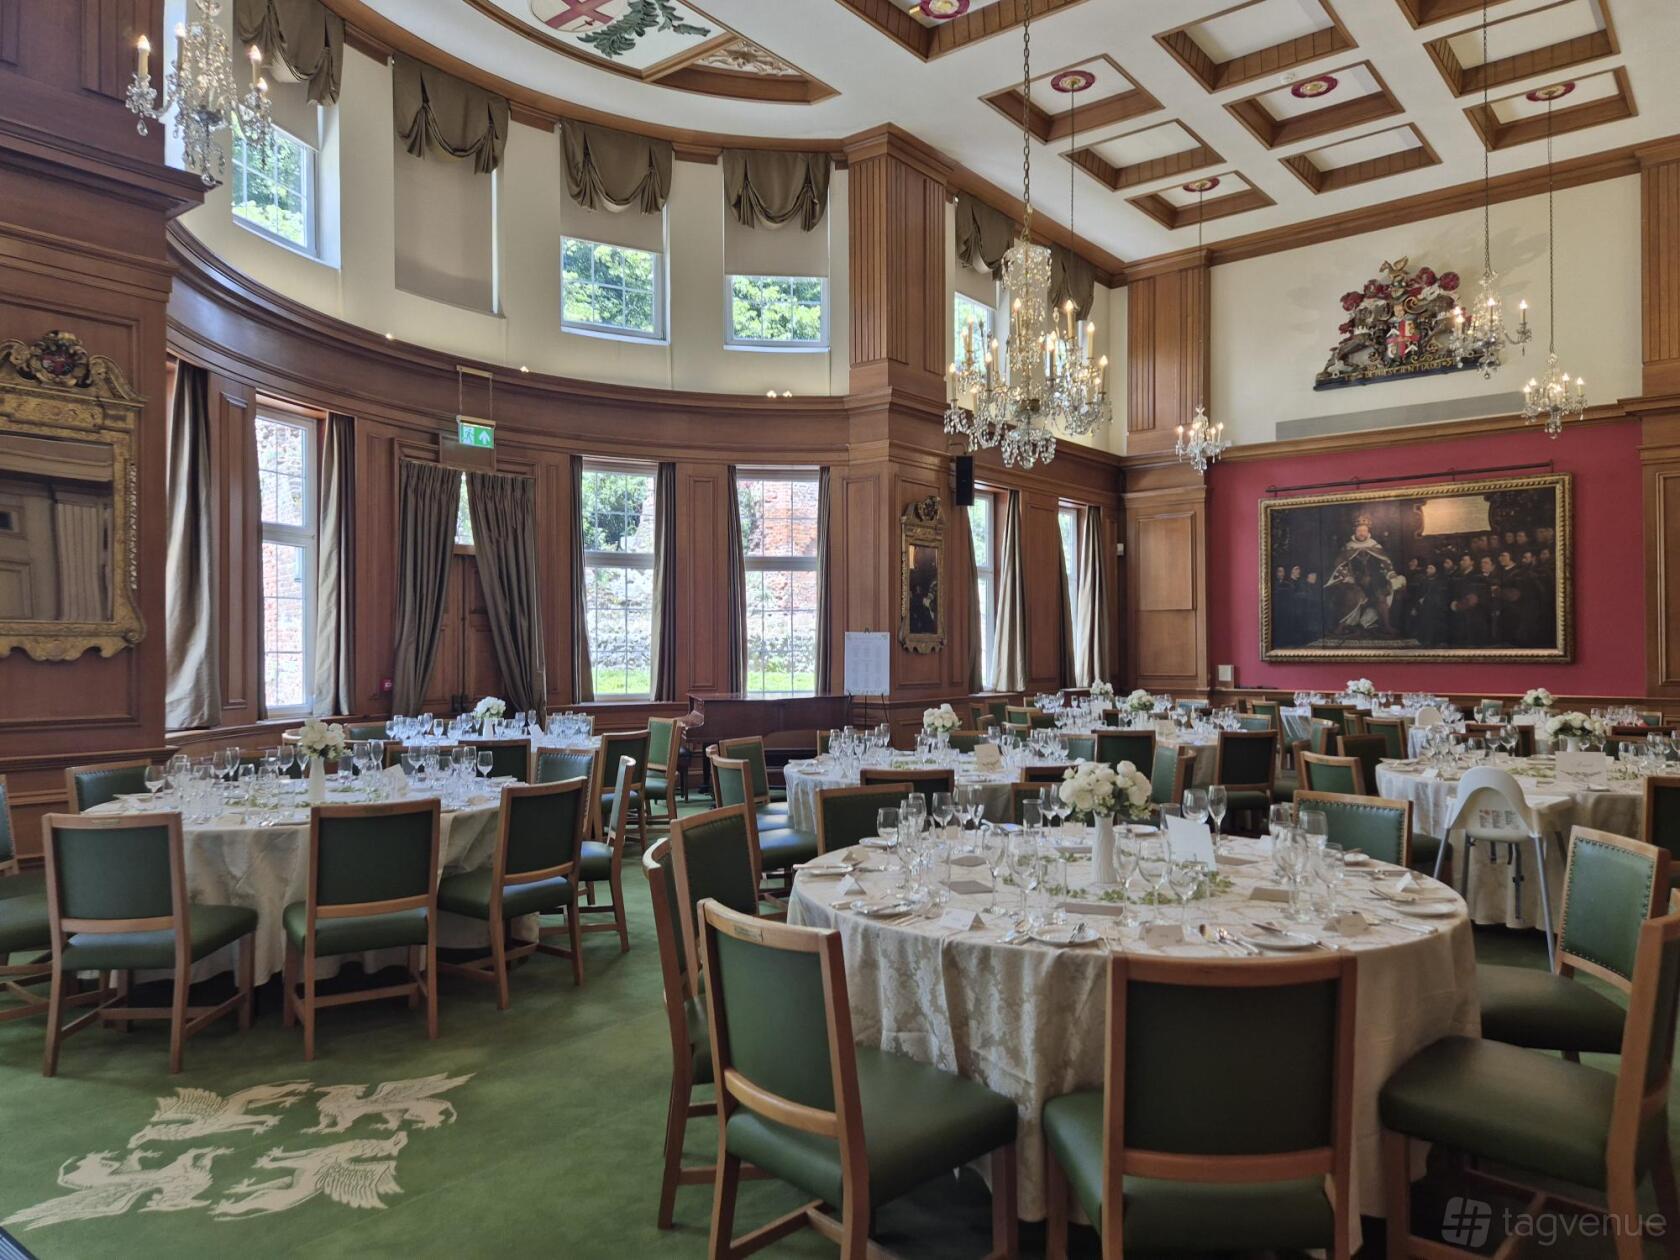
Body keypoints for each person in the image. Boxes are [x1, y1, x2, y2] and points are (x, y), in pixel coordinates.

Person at [1325, 514, 1401, 637]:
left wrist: (1391, 574)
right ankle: (1339, 627)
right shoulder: (1348, 547)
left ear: (1368, 532)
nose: (1362, 533)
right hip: (1354, 581)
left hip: (1375, 580)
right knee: (1351, 597)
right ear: (1355, 531)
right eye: (1359, 530)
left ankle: (1386, 626)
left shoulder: (1375, 546)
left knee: (1381, 596)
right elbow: (1340, 566)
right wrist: (1347, 577)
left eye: (1364, 531)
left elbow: (1385, 562)